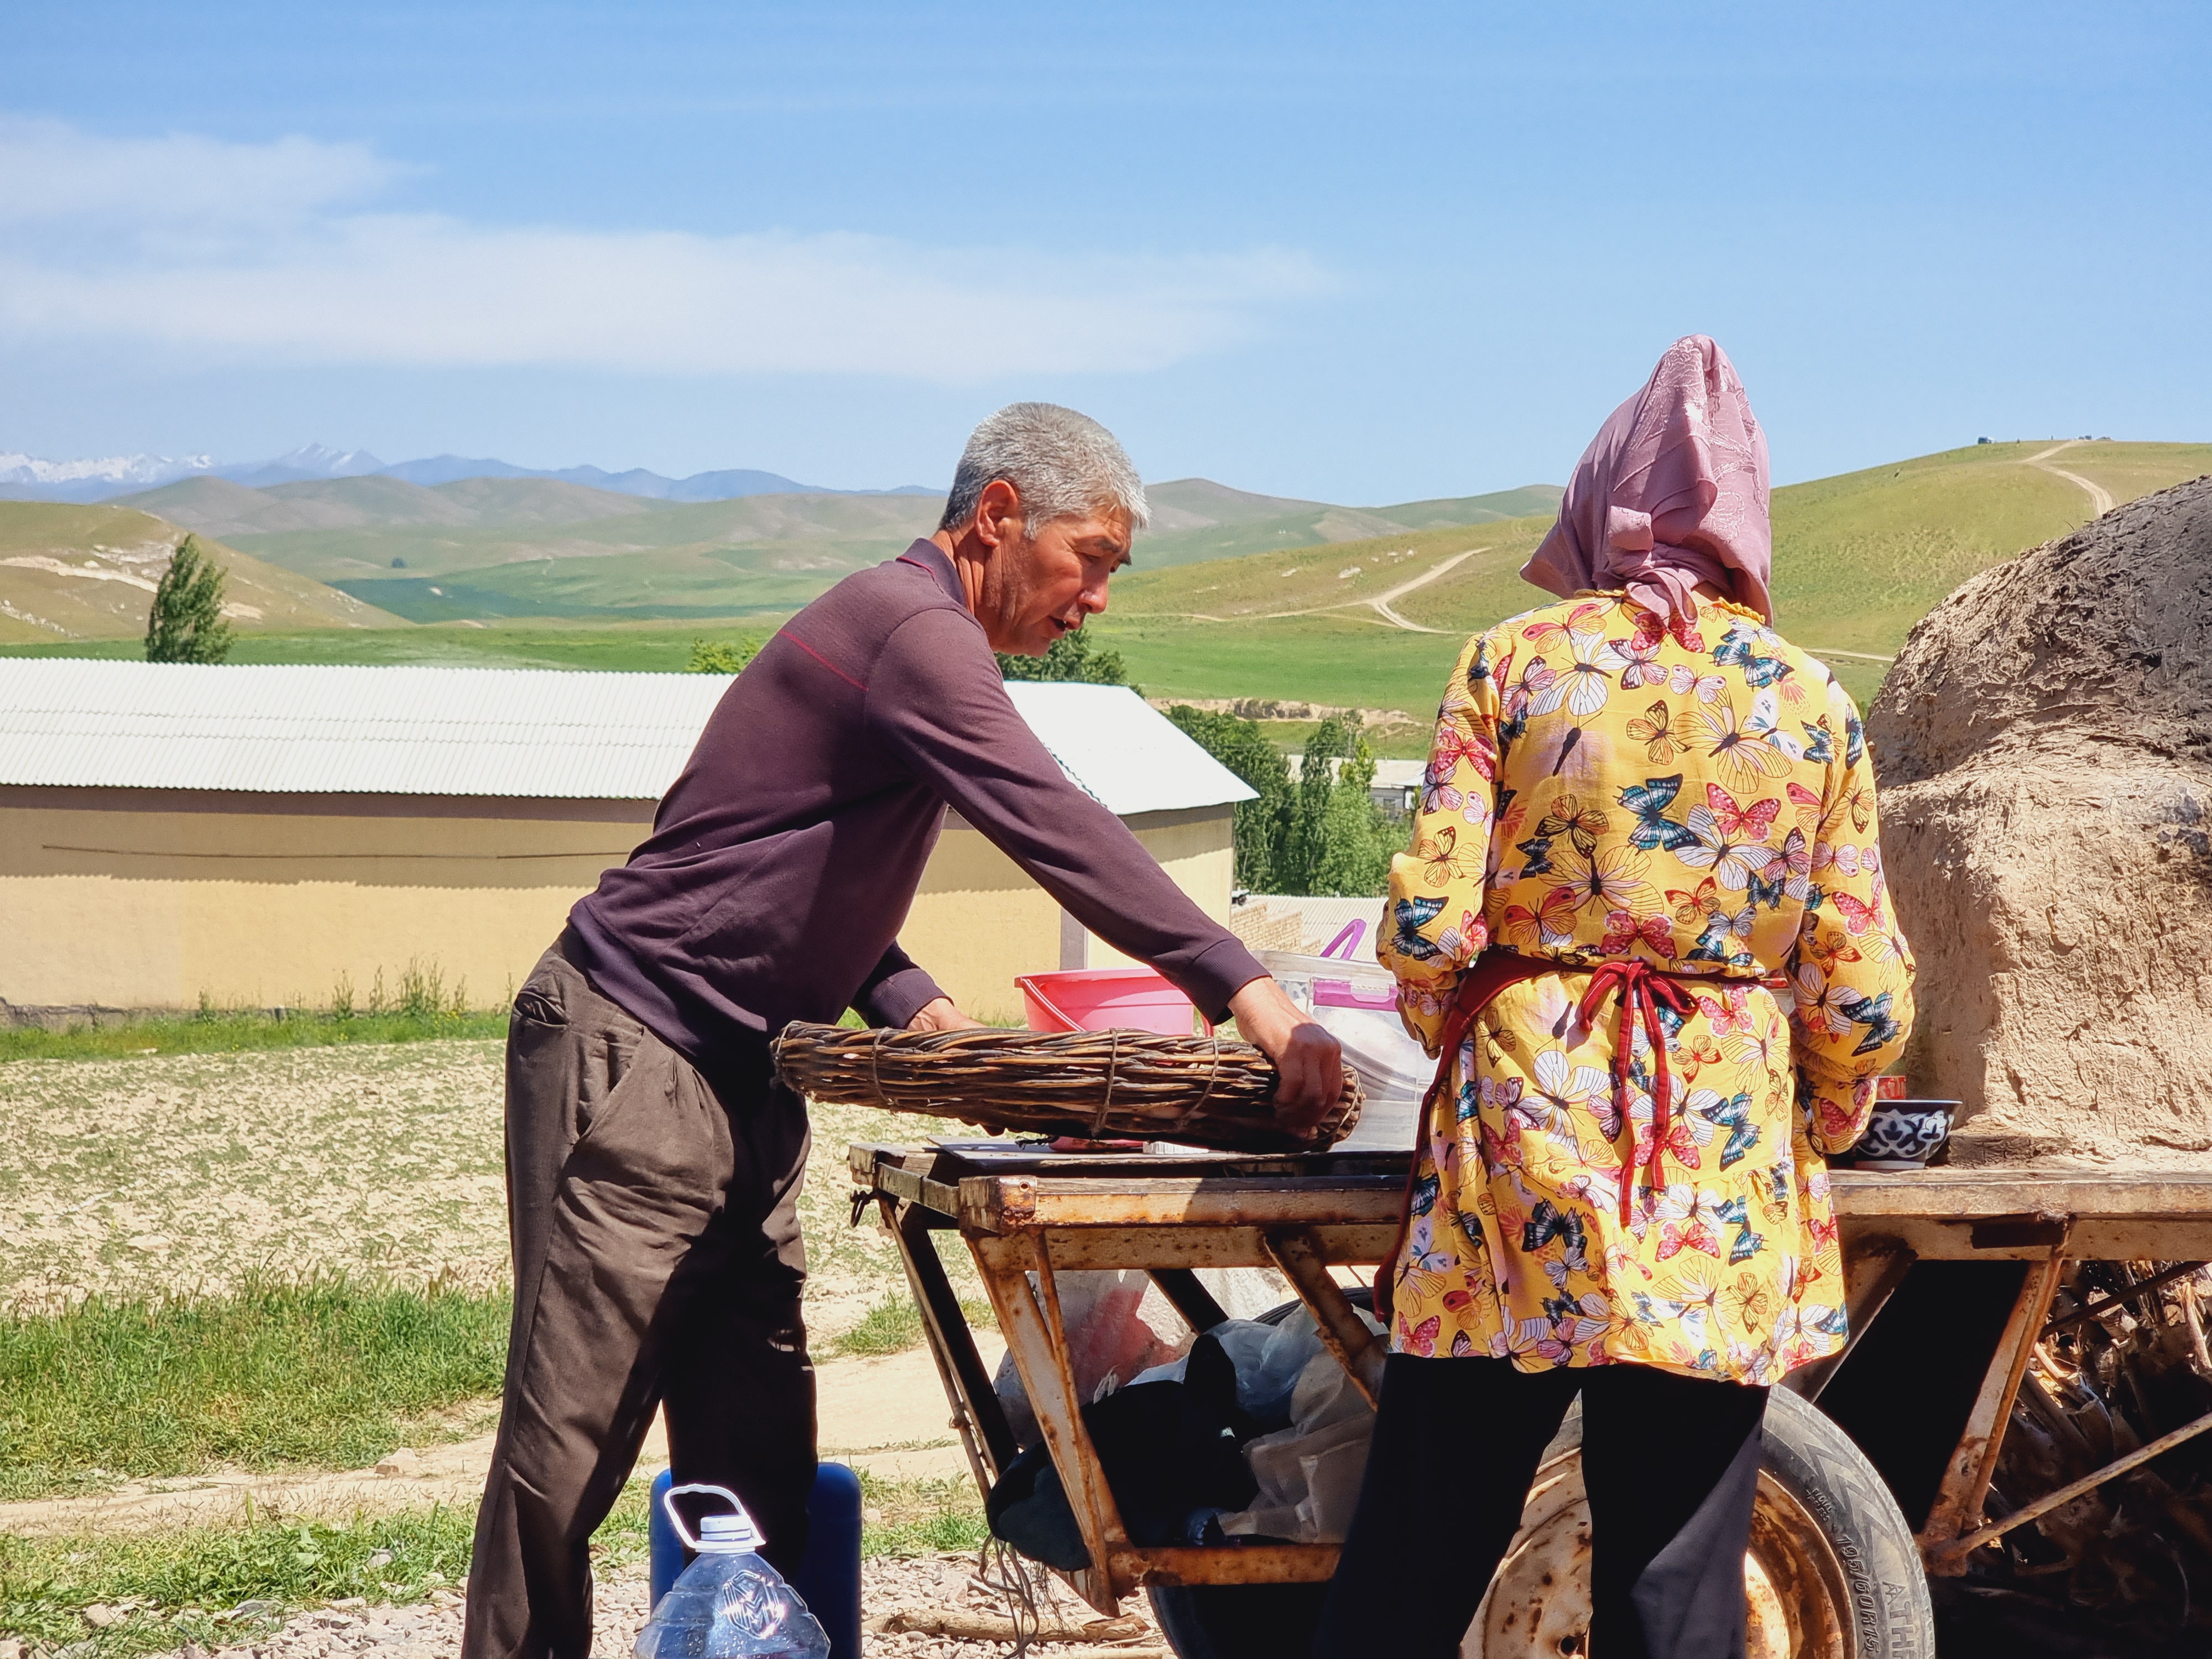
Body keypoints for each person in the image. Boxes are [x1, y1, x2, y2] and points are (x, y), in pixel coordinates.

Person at [462, 403, 1343, 1659]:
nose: (1093, 596)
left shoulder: (909, 643)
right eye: (1087, 557)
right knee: (567, 1450)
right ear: (995, 516)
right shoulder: (913, 628)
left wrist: (902, 994)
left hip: (747, 1075)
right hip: (633, 1046)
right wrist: (1244, 990)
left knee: (756, 1441)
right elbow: (1053, 818)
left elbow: (769, 848)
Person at [1315, 338, 1913, 1659]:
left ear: (1595, 498)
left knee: (1426, 1530)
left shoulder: (1512, 662)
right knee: (1675, 1566)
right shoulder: (1807, 701)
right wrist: (1815, 1115)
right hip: (1715, 1151)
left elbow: (1421, 927)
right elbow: (1859, 988)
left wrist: (1474, 1036)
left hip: (1515, 1149)